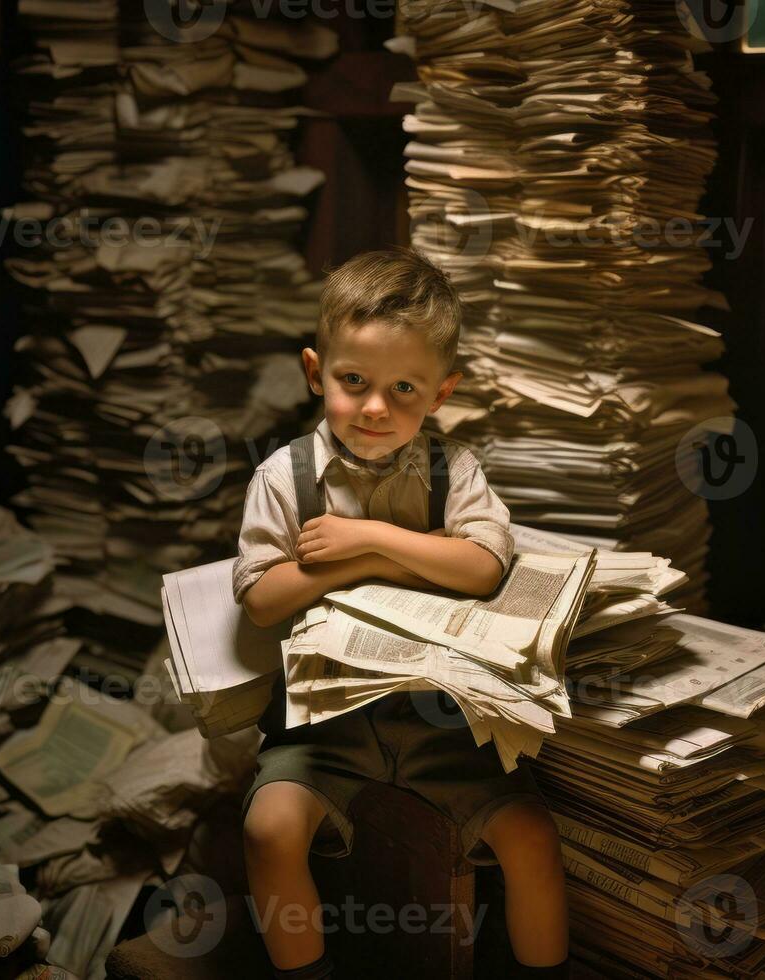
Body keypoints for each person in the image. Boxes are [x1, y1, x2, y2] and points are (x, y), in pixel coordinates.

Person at [233, 246, 570, 980]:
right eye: (353, 382)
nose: (375, 408)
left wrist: (372, 542)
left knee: (531, 839)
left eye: (404, 389)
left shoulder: (456, 470)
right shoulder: (284, 476)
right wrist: (371, 560)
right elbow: (260, 600)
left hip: (443, 719)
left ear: (441, 392)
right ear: (317, 371)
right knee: (268, 830)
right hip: (323, 721)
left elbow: (483, 568)